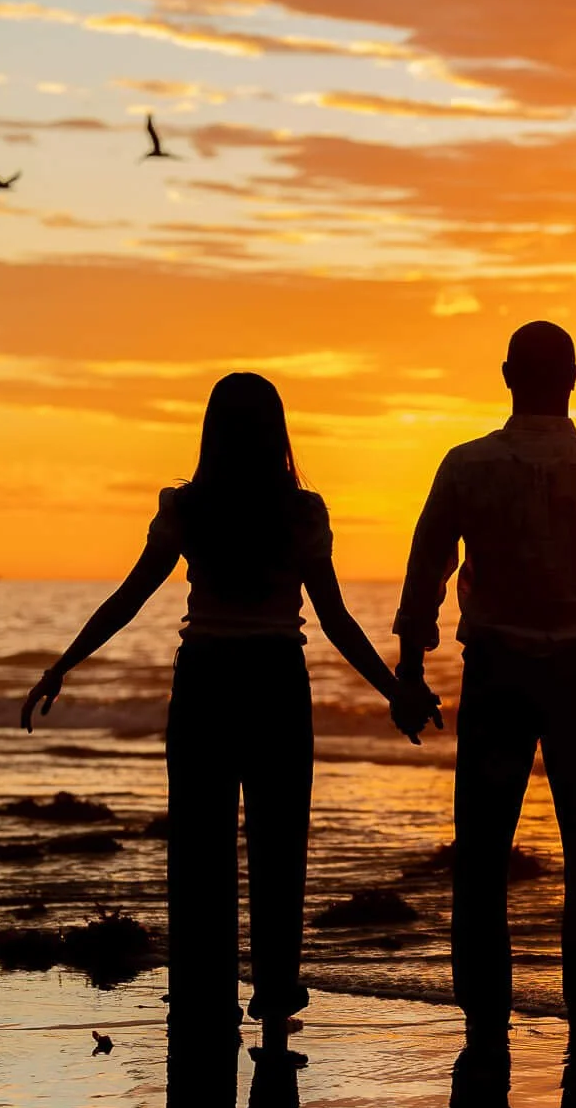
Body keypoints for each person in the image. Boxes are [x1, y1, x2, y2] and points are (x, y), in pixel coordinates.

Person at [21, 372, 428, 1037]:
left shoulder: (189, 508)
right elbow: (336, 620)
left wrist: (63, 663)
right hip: (275, 682)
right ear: (277, 434)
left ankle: (203, 992)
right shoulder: (300, 514)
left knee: (200, 846)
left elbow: (130, 597)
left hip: (206, 682)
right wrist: (396, 691)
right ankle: (273, 995)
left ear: (212, 432)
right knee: (278, 842)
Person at [392, 319, 576, 1041]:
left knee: (484, 850)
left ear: (505, 375)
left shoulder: (466, 466)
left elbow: (425, 572)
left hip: (496, 671)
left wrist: (409, 667)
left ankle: (483, 1013)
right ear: (575, 377)